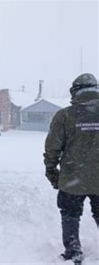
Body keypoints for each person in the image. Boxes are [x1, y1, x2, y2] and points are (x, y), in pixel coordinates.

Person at [43, 73, 99, 263]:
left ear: (75, 91)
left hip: (72, 180)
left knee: (70, 216)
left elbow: (52, 148)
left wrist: (51, 172)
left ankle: (73, 251)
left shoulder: (65, 115)